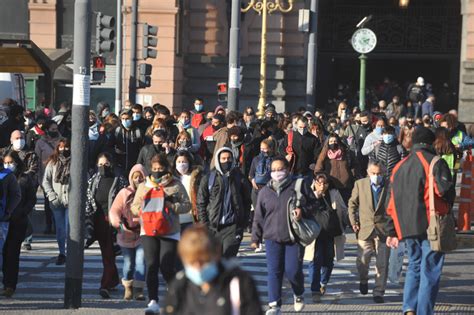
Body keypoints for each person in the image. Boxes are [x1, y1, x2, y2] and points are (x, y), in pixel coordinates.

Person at [385, 127, 455, 315]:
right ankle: (424, 311)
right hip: (430, 224)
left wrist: (391, 231)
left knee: (414, 265)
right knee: (430, 268)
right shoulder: (434, 162)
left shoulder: (399, 166)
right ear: (431, 142)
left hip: (406, 225)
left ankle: (409, 307)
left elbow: (390, 201)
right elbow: (444, 190)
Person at [251, 157, 318, 315]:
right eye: (273, 170)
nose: (277, 173)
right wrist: (255, 238)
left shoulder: (298, 186)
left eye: (280, 169)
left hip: (293, 237)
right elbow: (259, 216)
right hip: (271, 238)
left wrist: (303, 211)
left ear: (288, 169)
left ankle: (298, 293)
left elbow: (315, 204)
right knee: (274, 271)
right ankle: (274, 304)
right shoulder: (265, 191)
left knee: (292, 270)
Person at [131, 154, 191, 314]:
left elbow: (187, 205)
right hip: (148, 230)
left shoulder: (175, 184)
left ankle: (176, 297)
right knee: (151, 265)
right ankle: (153, 301)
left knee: (166, 266)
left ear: (166, 168)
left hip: (170, 230)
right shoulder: (144, 185)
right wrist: (145, 207)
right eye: (154, 169)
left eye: (161, 169)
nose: (157, 172)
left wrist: (172, 205)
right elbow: (134, 207)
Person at [163, 224, 262, 315]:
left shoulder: (238, 283)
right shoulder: (180, 286)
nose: (198, 267)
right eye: (192, 262)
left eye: (203, 261)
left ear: (216, 254)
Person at [85, 152, 128, 298]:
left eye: (106, 164)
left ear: (112, 164)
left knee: (109, 254)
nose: (103, 167)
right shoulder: (93, 180)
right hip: (97, 221)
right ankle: (113, 280)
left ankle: (105, 284)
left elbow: (126, 201)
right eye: (100, 165)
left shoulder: (120, 181)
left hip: (113, 222)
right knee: (107, 254)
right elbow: (88, 200)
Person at [197, 147, 251, 258]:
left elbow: (247, 201)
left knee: (227, 259)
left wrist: (242, 224)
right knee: (214, 261)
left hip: (233, 227)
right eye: (223, 158)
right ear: (218, 160)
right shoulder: (208, 178)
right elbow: (201, 202)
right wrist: (204, 224)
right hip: (213, 227)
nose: (227, 161)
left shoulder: (240, 178)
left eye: (229, 158)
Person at [348, 160, 390, 303]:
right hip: (364, 228)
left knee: (382, 263)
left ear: (384, 173)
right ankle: (363, 279)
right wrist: (354, 222)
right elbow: (352, 204)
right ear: (368, 172)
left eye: (379, 173)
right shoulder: (360, 184)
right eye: (373, 173)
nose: (376, 176)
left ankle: (379, 292)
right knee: (363, 260)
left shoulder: (390, 186)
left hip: (384, 230)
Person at [109, 164, 147, 301]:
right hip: (125, 233)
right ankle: (128, 286)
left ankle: (139, 290)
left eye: (141, 177)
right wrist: (118, 224)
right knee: (129, 263)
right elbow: (114, 210)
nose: (138, 180)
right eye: (135, 177)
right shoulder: (124, 193)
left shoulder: (148, 191)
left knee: (141, 261)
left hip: (143, 232)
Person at [1, 152, 36, 297]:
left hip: (18, 221)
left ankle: (10, 285)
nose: (8, 165)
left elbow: (31, 199)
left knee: (11, 254)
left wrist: (22, 212)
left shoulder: (25, 178)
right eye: (6, 162)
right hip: (4, 220)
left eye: (11, 162)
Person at [309, 172, 346, 303]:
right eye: (319, 183)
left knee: (329, 261)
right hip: (314, 234)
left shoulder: (334, 193)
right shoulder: (309, 193)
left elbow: (343, 209)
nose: (322, 186)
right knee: (315, 260)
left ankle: (323, 283)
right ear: (314, 182)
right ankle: (315, 289)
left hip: (330, 233)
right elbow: (304, 208)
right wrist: (315, 196)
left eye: (324, 183)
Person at [1, 130, 39, 250]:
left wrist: (23, 178)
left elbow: (33, 169)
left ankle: (27, 239)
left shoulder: (30, 154)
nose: (19, 140)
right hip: (6, 189)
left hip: (26, 187)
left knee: (26, 214)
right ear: (11, 140)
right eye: (16, 138)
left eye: (21, 137)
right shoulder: (4, 152)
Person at [42, 138, 71, 265]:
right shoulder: (53, 163)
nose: (63, 149)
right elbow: (46, 181)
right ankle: (62, 253)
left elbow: (84, 178)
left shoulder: (75, 162)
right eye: (61, 147)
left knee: (69, 227)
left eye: (66, 147)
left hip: (71, 201)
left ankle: (71, 252)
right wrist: (51, 195)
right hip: (56, 201)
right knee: (60, 229)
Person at [35, 120, 61, 234]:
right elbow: (38, 162)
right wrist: (40, 179)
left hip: (59, 176)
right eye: (52, 129)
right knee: (48, 203)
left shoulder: (62, 141)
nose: (55, 131)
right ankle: (48, 224)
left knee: (59, 203)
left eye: (56, 129)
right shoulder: (40, 143)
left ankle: (58, 225)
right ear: (46, 130)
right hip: (46, 176)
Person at [314, 133, 354, 202]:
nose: (333, 143)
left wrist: (353, 175)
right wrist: (323, 178)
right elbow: (318, 167)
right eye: (331, 141)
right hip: (332, 186)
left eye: (335, 141)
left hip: (346, 185)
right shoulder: (324, 154)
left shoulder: (346, 152)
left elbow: (354, 165)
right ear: (328, 143)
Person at [0, 154, 21, 280]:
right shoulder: (8, 176)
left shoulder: (7, 176)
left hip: (2, 219)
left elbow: (16, 196)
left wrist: (8, 212)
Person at [248, 138, 275, 236]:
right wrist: (252, 180)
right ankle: (258, 234)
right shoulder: (256, 159)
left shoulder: (275, 160)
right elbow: (251, 173)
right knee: (257, 212)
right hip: (256, 188)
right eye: (261, 148)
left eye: (265, 148)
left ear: (271, 149)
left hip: (269, 189)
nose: (263, 150)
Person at [173, 150, 204, 230]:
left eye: (184, 162)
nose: (181, 164)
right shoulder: (171, 179)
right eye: (179, 161)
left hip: (190, 217)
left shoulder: (196, 178)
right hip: (175, 218)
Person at [113, 109, 144, 174]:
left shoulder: (138, 131)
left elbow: (142, 147)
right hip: (120, 164)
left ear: (131, 118)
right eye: (123, 119)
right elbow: (110, 145)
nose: (125, 121)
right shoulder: (117, 131)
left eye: (127, 118)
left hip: (134, 163)